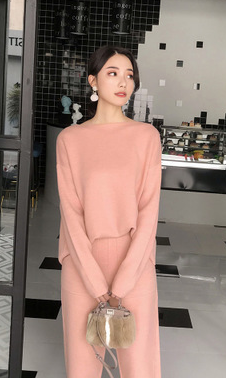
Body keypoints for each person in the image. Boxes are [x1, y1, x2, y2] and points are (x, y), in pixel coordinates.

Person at [56, 45, 162, 377]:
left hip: (135, 260)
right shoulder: (70, 139)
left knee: (140, 365)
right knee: (83, 365)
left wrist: (126, 278)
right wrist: (93, 279)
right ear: (93, 81)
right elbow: (71, 213)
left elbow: (148, 211)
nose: (123, 82)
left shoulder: (146, 137)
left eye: (129, 75)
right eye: (112, 73)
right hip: (82, 261)